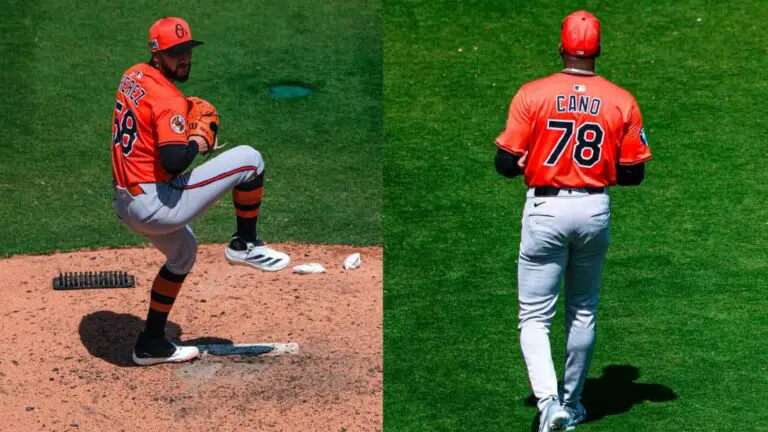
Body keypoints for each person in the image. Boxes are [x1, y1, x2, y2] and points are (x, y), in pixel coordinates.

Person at [494, 10, 651, 431]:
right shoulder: (621, 99)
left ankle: (549, 405)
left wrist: (533, 161)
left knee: (534, 317)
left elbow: (504, 163)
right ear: (598, 49)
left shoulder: (533, 93)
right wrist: (598, 170)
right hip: (593, 210)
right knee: (583, 310)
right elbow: (634, 173)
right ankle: (574, 402)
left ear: (561, 46)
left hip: (545, 209)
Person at [111, 17, 290, 366]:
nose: (184, 59)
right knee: (249, 161)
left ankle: (150, 342)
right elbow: (175, 160)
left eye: (187, 51)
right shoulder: (168, 98)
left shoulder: (132, 75)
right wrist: (200, 141)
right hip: (155, 204)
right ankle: (245, 244)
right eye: (175, 53)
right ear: (157, 53)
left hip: (126, 203)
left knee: (184, 252)